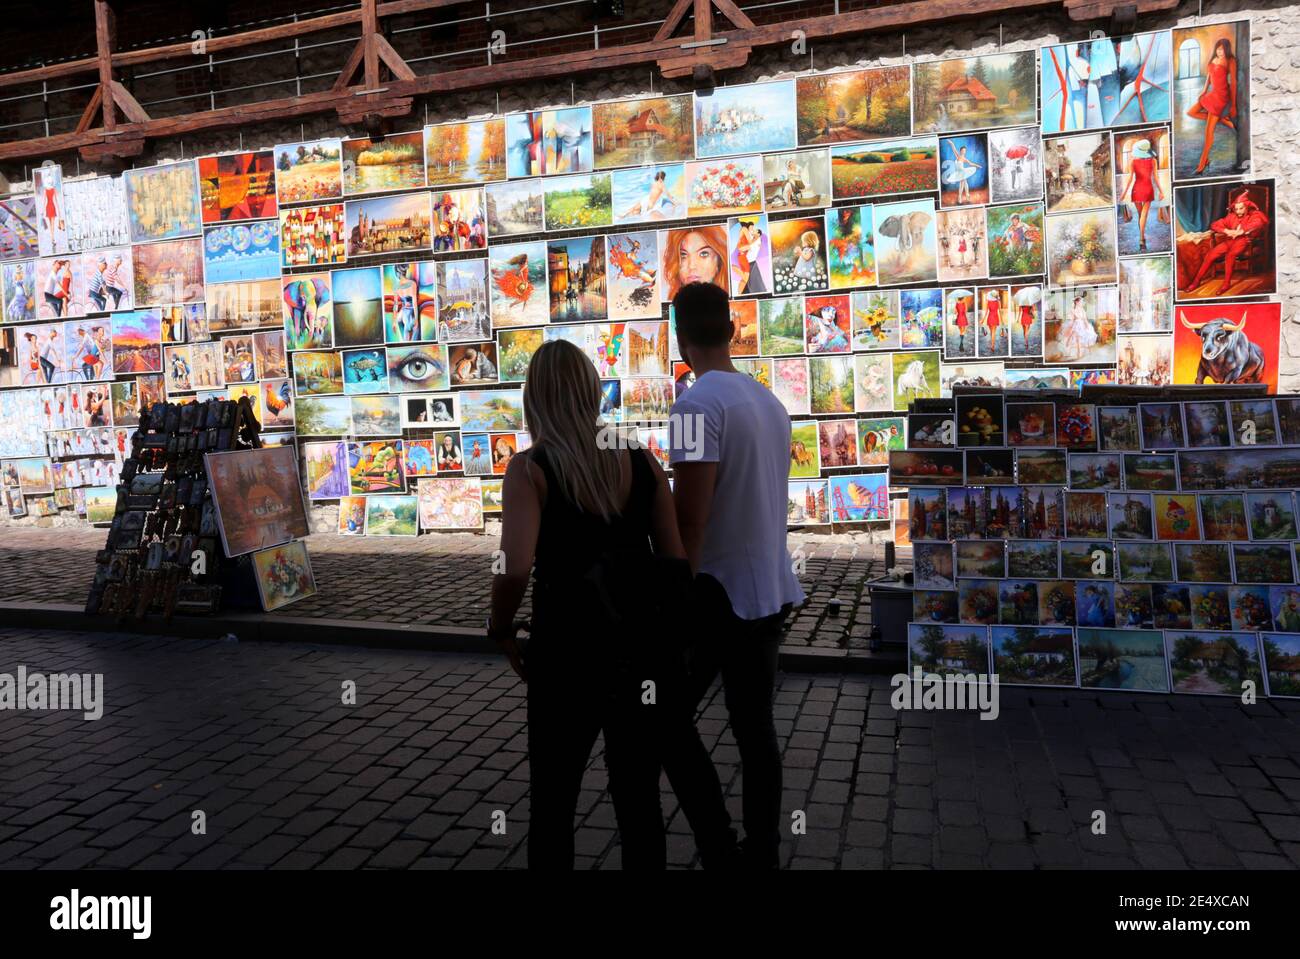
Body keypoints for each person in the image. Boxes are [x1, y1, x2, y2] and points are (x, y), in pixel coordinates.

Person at [488, 339, 730, 870]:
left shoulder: (530, 469)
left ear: (535, 397)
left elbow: (515, 565)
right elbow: (674, 557)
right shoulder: (639, 459)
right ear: (591, 391)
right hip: (639, 653)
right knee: (637, 797)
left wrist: (500, 625)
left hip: (565, 654)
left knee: (553, 802)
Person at [668, 282, 806, 869]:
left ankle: (719, 842)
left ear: (680, 337)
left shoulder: (694, 406)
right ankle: (763, 850)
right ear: (730, 331)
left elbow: (691, 520)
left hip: (715, 593)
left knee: (667, 720)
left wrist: (674, 599)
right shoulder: (767, 402)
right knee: (755, 731)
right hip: (768, 591)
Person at [1185, 188, 1269, 297]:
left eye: (1241, 208)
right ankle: (1196, 281)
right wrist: (1226, 230)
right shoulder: (1231, 216)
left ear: (1247, 207)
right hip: (1229, 241)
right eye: (1236, 209)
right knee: (1211, 254)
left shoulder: (1255, 215)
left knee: (1230, 255)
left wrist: (1240, 232)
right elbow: (1215, 224)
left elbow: (1257, 223)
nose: (1238, 211)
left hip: (1243, 241)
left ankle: (1226, 283)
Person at [1186, 37, 1238, 176]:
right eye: (1218, 48)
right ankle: (1223, 120)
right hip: (1212, 93)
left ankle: (1202, 163)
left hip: (1221, 96)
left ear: (1226, 49)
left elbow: (1233, 83)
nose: (1219, 51)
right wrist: (1204, 90)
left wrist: (1233, 105)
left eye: (1222, 49)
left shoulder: (1230, 60)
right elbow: (1209, 75)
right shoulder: (1214, 59)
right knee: (1191, 112)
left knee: (1208, 131)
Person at [1119, 139, 1165, 253]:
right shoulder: (1153, 161)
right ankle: (1141, 238)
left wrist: (1124, 194)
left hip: (1137, 189)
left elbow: (1130, 179)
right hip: (1148, 189)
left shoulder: (1133, 162)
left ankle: (1141, 238)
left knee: (1141, 215)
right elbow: (1156, 178)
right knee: (1143, 216)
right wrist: (1161, 191)